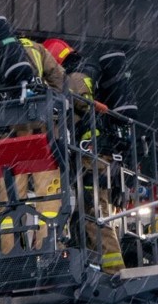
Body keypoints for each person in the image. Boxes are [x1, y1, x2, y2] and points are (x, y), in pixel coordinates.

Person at [0, 23, 66, 253]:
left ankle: (10, 254)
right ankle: (48, 249)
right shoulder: (36, 49)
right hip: (41, 134)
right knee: (49, 193)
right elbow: (60, 83)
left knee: (9, 199)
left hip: (6, 141)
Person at [43, 38, 125, 273]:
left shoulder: (77, 78)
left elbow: (75, 109)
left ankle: (114, 270)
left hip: (91, 156)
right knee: (85, 212)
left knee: (93, 212)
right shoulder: (82, 74)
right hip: (90, 155)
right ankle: (92, 265)